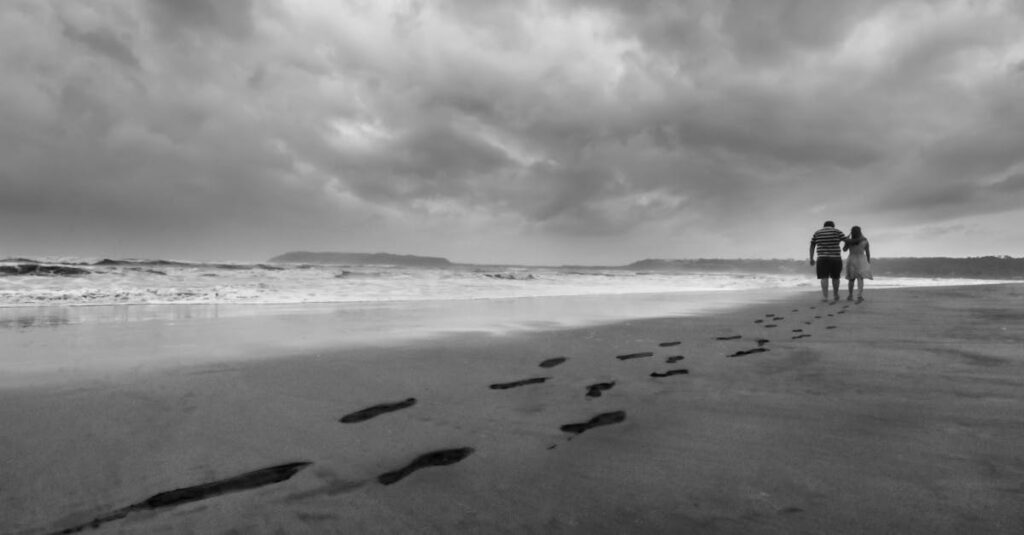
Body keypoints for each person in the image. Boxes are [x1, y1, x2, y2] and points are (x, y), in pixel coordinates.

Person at [809, 221, 847, 303]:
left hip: (822, 258)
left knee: (824, 277)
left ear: (824, 226)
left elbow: (812, 245)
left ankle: (825, 296)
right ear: (833, 226)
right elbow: (847, 241)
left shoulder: (817, 232)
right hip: (835, 258)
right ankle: (835, 295)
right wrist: (847, 240)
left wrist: (811, 258)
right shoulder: (838, 231)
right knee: (836, 277)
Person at [843, 226, 872, 302]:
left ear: (852, 232)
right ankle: (859, 296)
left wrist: (846, 241)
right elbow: (868, 252)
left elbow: (844, 250)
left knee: (851, 279)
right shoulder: (865, 240)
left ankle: (850, 295)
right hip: (862, 259)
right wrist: (868, 262)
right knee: (860, 278)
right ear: (860, 232)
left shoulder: (849, 241)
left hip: (851, 259)